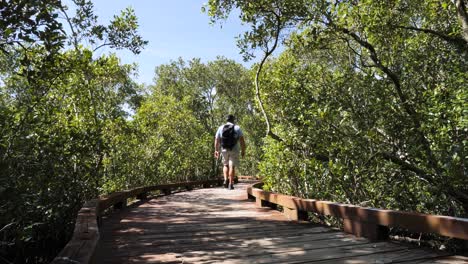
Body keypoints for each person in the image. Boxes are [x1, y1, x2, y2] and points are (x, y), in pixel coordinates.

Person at [214, 114, 246, 190]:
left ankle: (225, 180)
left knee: (225, 165)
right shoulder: (237, 128)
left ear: (227, 120)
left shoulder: (221, 128)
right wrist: (243, 150)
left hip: (224, 149)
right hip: (234, 149)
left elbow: (217, 139)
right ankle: (231, 184)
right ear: (233, 120)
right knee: (232, 166)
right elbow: (242, 141)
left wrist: (216, 150)